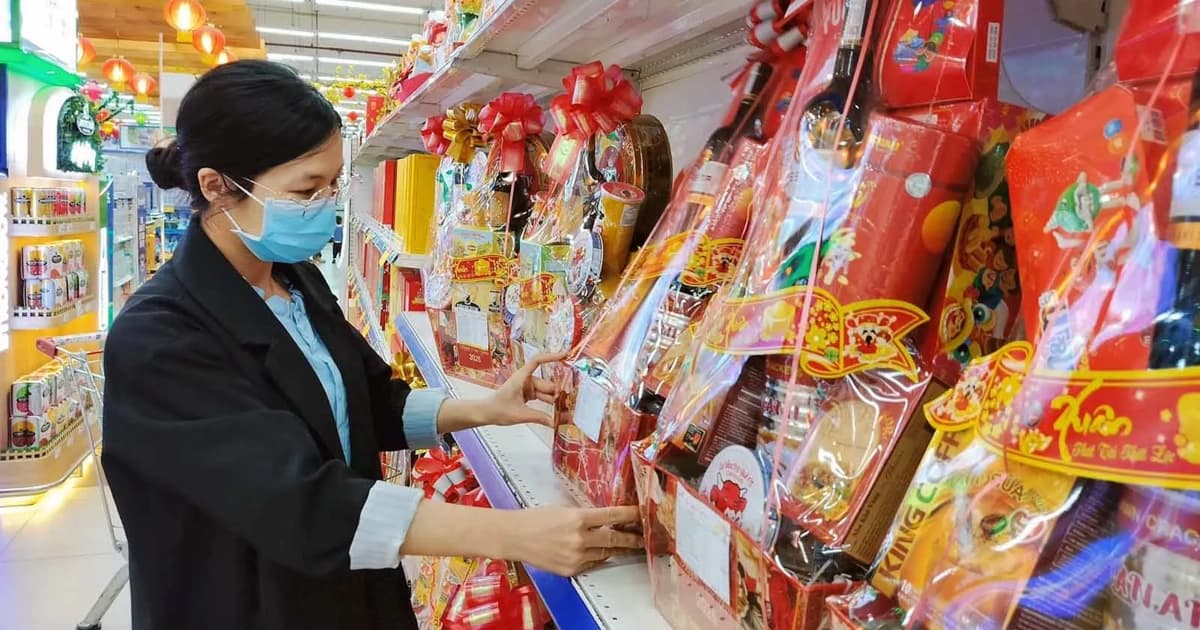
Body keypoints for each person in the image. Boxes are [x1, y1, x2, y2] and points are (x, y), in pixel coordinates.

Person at [103, 60, 641, 630]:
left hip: (343, 590)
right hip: (248, 602)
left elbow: (366, 396)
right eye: (307, 189)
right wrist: (516, 534)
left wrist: (483, 409)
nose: (328, 205)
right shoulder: (159, 337)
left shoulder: (291, 276)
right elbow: (297, 503)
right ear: (216, 186)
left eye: (334, 183)